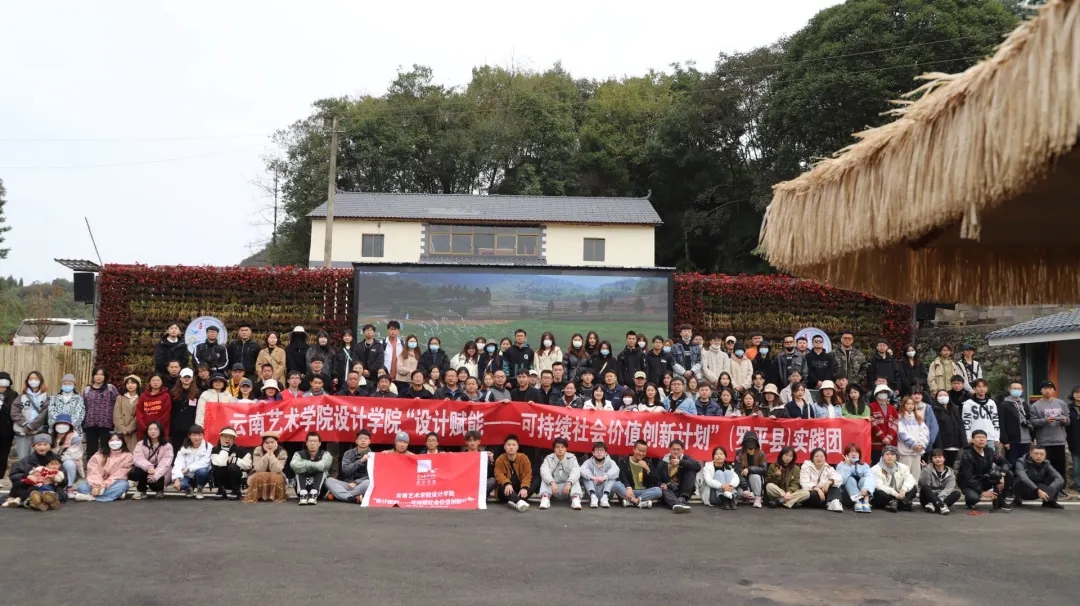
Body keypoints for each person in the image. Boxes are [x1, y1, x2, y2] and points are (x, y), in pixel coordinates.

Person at [1028, 380, 1070, 496]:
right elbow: (1033, 421)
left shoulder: (1061, 403)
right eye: (1045, 388)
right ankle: (1047, 488)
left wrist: (1065, 420)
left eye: (1050, 388)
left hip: (1059, 440)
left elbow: (1068, 420)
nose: (1048, 390)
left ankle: (1060, 488)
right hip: (1044, 441)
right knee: (1046, 467)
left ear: (1054, 390)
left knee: (1060, 466)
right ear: (1041, 390)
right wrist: (1045, 421)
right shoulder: (1035, 405)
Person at [958, 429, 1012, 512]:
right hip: (969, 482)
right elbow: (968, 477)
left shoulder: (990, 451)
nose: (981, 439)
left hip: (985, 478)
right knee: (973, 498)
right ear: (972, 440)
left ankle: (1000, 501)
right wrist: (982, 492)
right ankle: (969, 502)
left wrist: (1002, 474)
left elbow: (1005, 463)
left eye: (983, 437)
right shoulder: (967, 454)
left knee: (1009, 474)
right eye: (978, 437)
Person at [74, 431, 133, 502]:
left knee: (123, 485)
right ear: (107, 442)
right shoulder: (99, 454)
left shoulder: (128, 456)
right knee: (82, 487)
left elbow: (120, 474)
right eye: (112, 440)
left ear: (122, 442)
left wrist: (104, 485)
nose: (115, 442)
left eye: (118, 440)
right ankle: (114, 495)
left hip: (114, 482)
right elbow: (94, 470)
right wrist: (96, 485)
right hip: (98, 481)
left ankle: (91, 497)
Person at [3, 435, 58, 508]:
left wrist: (53, 479)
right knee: (24, 488)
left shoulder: (56, 460)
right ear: (33, 446)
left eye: (45, 444)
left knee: (49, 492)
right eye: (39, 445)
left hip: (50, 487)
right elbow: (13, 476)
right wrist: (27, 476)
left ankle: (34, 501)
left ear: (50, 446)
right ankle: (34, 501)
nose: (42, 447)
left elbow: (64, 480)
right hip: (30, 486)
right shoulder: (25, 460)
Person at [129, 420, 174, 500]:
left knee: (157, 483)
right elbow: (137, 458)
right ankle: (141, 490)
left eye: (156, 429)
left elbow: (165, 464)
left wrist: (154, 475)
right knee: (139, 470)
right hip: (146, 469)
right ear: (147, 431)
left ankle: (159, 490)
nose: (153, 431)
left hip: (161, 471)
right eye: (150, 429)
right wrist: (148, 467)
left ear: (161, 431)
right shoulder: (140, 444)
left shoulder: (168, 446)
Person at [612, 439, 662, 509]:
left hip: (643, 492)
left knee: (658, 491)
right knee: (616, 485)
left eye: (643, 451)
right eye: (639, 451)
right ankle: (640, 502)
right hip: (629, 491)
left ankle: (634, 501)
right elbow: (622, 477)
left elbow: (654, 480)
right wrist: (628, 487)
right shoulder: (624, 461)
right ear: (634, 449)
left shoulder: (647, 462)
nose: (641, 453)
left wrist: (647, 469)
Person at [326, 429, 372, 504]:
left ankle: (338, 495)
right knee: (329, 480)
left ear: (369, 441)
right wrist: (361, 461)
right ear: (356, 441)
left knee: (369, 483)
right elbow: (346, 470)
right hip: (347, 484)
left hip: (361, 485)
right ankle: (352, 497)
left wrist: (356, 482)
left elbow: (371, 475)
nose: (363, 440)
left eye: (365, 438)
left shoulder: (373, 455)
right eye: (360, 438)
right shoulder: (348, 453)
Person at [81, 367, 118, 460]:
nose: (99, 377)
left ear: (105, 377)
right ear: (93, 376)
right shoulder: (87, 390)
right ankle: (91, 467)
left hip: (106, 424)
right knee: (91, 451)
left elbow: (118, 404)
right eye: (96, 374)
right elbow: (83, 406)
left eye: (101, 374)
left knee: (106, 450)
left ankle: (106, 467)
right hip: (90, 424)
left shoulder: (111, 388)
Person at [1013, 444, 1065, 509]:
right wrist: (1038, 490)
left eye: (1042, 454)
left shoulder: (1047, 463)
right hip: (1026, 490)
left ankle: (1049, 501)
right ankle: (1017, 500)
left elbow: (1059, 478)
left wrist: (1049, 490)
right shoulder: (1021, 461)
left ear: (1045, 455)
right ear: (1030, 454)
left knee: (1054, 479)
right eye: (1036, 454)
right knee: (1019, 480)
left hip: (1041, 489)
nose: (1039, 456)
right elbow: (1024, 478)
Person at [243, 431, 289, 503]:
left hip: (276, 474)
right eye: (267, 443)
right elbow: (259, 469)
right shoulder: (258, 450)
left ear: (276, 443)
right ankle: (258, 495)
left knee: (275, 476)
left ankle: (275, 495)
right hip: (258, 473)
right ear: (263, 443)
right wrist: (267, 454)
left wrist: (272, 454)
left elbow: (277, 469)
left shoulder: (282, 452)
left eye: (272, 442)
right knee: (261, 475)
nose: (269, 445)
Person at [538, 437, 583, 510]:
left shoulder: (572, 458)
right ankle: (545, 498)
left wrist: (569, 483)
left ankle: (575, 499)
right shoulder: (548, 458)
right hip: (553, 489)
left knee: (575, 479)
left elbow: (576, 471)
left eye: (562, 447)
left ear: (566, 449)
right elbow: (544, 471)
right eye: (557, 447)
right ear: (554, 449)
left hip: (567, 488)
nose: (560, 449)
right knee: (545, 478)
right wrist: (552, 482)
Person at [291, 431, 332, 505]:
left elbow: (324, 465)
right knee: (299, 470)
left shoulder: (325, 454)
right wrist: (314, 464)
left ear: (319, 443)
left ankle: (314, 494)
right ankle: (303, 494)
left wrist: (304, 464)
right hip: (301, 488)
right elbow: (294, 465)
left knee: (321, 470)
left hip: (320, 490)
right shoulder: (298, 454)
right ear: (306, 443)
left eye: (315, 441)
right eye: (310, 441)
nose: (312, 443)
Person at [657, 439, 699, 513]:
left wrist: (680, 462)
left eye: (678, 449)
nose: (676, 452)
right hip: (669, 490)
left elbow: (698, 467)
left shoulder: (686, 458)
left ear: (682, 450)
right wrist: (661, 484)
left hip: (682, 489)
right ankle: (678, 504)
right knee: (663, 489)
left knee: (691, 470)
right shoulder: (663, 462)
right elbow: (657, 478)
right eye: (674, 449)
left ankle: (682, 499)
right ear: (670, 450)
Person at [870, 446, 916, 512]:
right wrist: (894, 493)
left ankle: (896, 503)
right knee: (878, 492)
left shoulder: (904, 467)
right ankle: (903, 503)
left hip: (900, 492)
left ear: (896, 457)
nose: (890, 457)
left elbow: (910, 480)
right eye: (887, 454)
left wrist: (903, 490)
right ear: (882, 456)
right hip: (887, 494)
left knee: (914, 488)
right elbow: (879, 486)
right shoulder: (875, 469)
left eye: (892, 454)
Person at [172, 424, 213, 498]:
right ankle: (189, 487)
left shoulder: (208, 446)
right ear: (189, 436)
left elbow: (205, 462)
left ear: (203, 435)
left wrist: (189, 468)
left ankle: (199, 490)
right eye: (194, 435)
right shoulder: (184, 448)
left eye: (199, 435)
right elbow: (178, 463)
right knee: (180, 485)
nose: (197, 437)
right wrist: (176, 478)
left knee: (203, 471)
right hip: (186, 475)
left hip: (200, 475)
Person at [999, 380, 1033, 467]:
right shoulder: (1004, 405)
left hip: (1026, 438)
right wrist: (1005, 441)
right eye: (1014, 388)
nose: (1016, 390)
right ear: (1009, 390)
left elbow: (1029, 420)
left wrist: (1033, 437)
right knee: (1012, 463)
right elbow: (1002, 423)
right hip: (1012, 440)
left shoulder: (1024, 404)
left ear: (1022, 390)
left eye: (1018, 388)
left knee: (1025, 463)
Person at [210, 426, 251, 499]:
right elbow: (219, 463)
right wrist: (225, 450)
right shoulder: (215, 449)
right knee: (217, 468)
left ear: (234, 439)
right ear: (220, 437)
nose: (228, 439)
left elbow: (248, 465)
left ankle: (236, 491)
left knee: (233, 467)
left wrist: (234, 460)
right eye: (225, 436)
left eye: (231, 437)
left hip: (236, 479)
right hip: (222, 478)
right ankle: (221, 490)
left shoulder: (239, 450)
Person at [494, 434, 532, 512]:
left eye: (514, 445)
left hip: (519, 490)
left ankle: (515, 501)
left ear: (517, 447)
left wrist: (524, 487)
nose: (511, 447)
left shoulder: (523, 458)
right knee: (502, 484)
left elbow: (528, 474)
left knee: (534, 481)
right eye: (508, 445)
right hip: (505, 492)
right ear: (504, 447)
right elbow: (498, 474)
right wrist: (506, 483)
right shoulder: (500, 459)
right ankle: (518, 501)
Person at [918, 448, 960, 515]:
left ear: (944, 458)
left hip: (942, 497)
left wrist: (937, 500)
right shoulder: (927, 468)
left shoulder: (950, 472)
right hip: (927, 500)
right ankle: (942, 506)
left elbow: (948, 488)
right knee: (925, 487)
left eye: (940, 457)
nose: (938, 459)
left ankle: (935, 505)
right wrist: (925, 470)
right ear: (932, 459)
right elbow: (924, 483)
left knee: (957, 493)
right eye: (935, 457)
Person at [49, 414, 83, 497]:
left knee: (69, 463)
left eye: (64, 424)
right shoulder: (51, 436)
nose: (62, 426)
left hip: (66, 463)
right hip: (51, 462)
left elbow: (74, 454)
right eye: (59, 424)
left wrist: (58, 460)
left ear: (69, 425)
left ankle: (69, 487)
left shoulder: (75, 437)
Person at [800, 448, 843, 512]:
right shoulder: (806, 467)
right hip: (813, 492)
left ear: (825, 458)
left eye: (821, 456)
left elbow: (839, 478)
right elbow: (804, 483)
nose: (819, 458)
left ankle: (832, 503)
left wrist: (829, 482)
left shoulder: (828, 468)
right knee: (810, 494)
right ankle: (827, 502)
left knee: (835, 486)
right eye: (816, 456)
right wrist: (817, 489)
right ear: (812, 458)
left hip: (823, 492)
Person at [837, 444, 876, 513]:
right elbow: (841, 481)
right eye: (851, 452)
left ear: (859, 454)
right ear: (846, 454)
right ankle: (857, 502)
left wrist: (865, 488)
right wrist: (846, 466)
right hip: (848, 495)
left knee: (864, 479)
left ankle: (866, 502)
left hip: (863, 493)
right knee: (850, 479)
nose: (854, 454)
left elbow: (870, 478)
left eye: (856, 452)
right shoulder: (841, 465)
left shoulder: (864, 465)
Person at [962, 378, 1000, 449]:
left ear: (987, 388)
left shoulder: (991, 403)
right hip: (974, 437)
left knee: (990, 455)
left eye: (984, 386)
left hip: (990, 437)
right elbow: (966, 421)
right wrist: (968, 436)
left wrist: (997, 437)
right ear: (974, 389)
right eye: (979, 387)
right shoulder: (968, 403)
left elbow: (995, 420)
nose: (982, 389)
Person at [698, 445, 740, 510]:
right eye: (716, 454)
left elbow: (737, 479)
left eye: (721, 454)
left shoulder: (729, 467)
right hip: (713, 495)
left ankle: (730, 500)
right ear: (713, 457)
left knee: (727, 472)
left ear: (725, 457)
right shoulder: (707, 467)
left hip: (729, 493)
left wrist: (730, 486)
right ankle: (724, 500)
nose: (719, 456)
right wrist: (722, 486)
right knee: (719, 473)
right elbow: (709, 481)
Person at [932, 389, 965, 468]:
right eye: (940, 395)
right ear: (936, 398)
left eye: (945, 395)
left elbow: (960, 425)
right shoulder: (934, 410)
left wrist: (963, 442)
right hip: (942, 444)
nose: (943, 397)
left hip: (955, 444)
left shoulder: (955, 409)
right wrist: (939, 445)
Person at [580, 441, 618, 508]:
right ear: (593, 452)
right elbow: (581, 470)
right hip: (591, 492)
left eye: (601, 450)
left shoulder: (610, 462)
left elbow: (616, 470)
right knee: (586, 477)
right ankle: (593, 497)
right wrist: (593, 477)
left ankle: (605, 497)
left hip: (607, 492)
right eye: (597, 450)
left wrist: (604, 477)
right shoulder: (588, 462)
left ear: (606, 453)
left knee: (612, 476)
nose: (599, 452)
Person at [896, 396, 929, 472]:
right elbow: (902, 433)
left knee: (916, 473)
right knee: (904, 473)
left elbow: (925, 431)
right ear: (903, 405)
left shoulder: (918, 418)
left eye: (912, 404)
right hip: (905, 451)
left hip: (917, 451)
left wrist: (921, 444)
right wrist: (913, 445)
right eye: (908, 404)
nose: (910, 406)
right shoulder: (900, 418)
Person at [870, 385, 898, 462]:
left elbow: (896, 423)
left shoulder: (892, 408)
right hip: (876, 444)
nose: (883, 394)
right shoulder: (871, 406)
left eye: (885, 392)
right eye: (881, 392)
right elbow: (872, 423)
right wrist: (882, 437)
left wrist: (889, 437)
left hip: (890, 444)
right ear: (876, 394)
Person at [112, 375, 140, 452]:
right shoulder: (120, 398)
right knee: (119, 452)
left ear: (138, 384)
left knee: (133, 452)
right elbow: (116, 414)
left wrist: (129, 429)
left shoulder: (141, 398)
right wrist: (122, 429)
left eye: (133, 383)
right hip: (120, 430)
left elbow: (139, 416)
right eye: (128, 383)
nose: (130, 385)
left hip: (134, 431)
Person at [0, 372, 16, 482]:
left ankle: (0, 477)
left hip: (7, 431)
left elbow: (15, 411)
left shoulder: (13, 395)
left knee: (3, 455)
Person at [1067, 385, 1080, 498]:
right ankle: (1079, 487)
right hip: (1074, 442)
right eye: (1076, 392)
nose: (1078, 394)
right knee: (1076, 469)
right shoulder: (1068, 408)